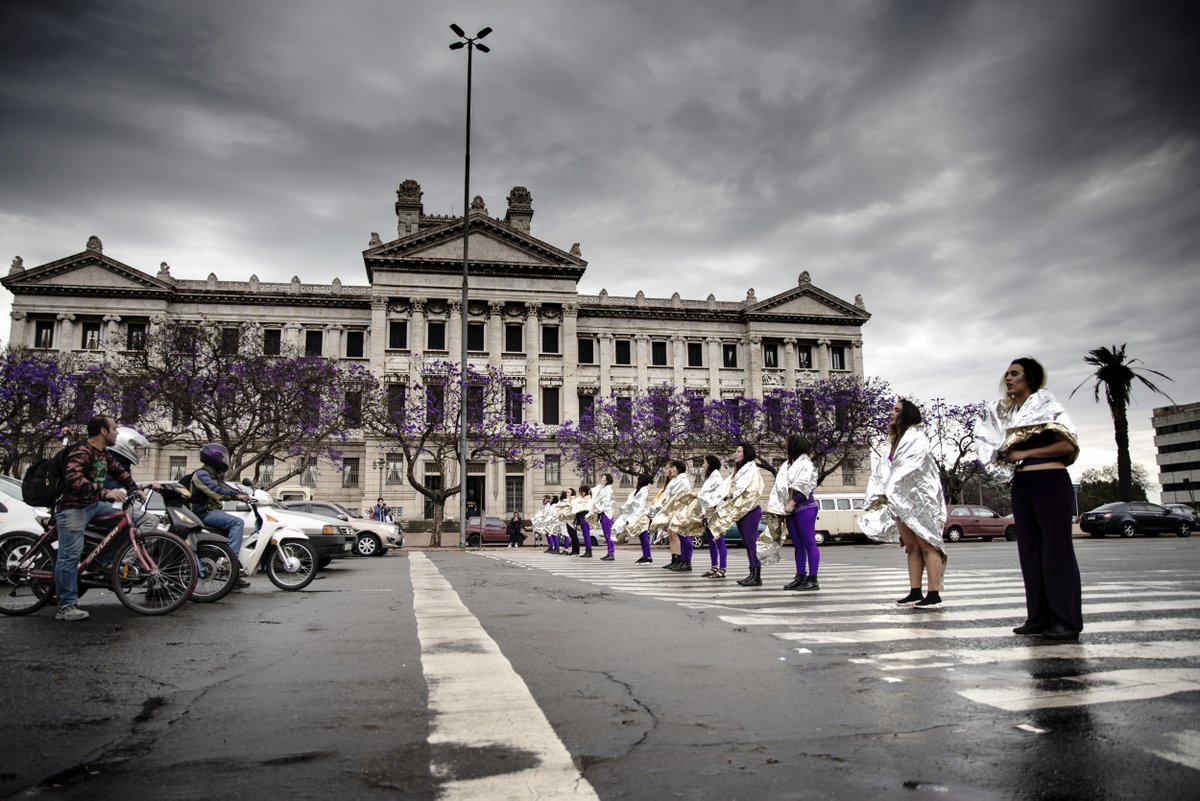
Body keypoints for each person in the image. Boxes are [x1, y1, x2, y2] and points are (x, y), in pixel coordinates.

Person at [976, 357, 1082, 640]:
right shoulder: (1008, 414)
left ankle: (1065, 621)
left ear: (1030, 379)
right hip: (1023, 484)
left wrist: (1024, 453)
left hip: (1050, 482)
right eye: (1007, 374)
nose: (1008, 379)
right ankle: (1038, 618)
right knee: (1031, 553)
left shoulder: (1047, 405)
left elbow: (1067, 444)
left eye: (1015, 374)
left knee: (1055, 551)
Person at [52, 415, 142, 621]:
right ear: (103, 431)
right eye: (114, 428)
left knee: (128, 521)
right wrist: (105, 493)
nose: (117, 432)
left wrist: (134, 489)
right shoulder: (81, 450)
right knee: (69, 556)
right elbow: (74, 479)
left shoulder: (104, 454)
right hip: (73, 508)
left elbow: (120, 473)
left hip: (93, 506)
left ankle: (102, 560)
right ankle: (66, 606)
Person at [860, 399, 948, 609]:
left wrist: (891, 490)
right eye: (892, 409)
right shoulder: (891, 442)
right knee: (911, 547)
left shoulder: (916, 438)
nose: (891, 413)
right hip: (899, 500)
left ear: (906, 415)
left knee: (928, 544)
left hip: (920, 500)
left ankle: (934, 594)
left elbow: (909, 468)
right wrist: (880, 494)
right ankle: (915, 591)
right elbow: (883, 471)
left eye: (896, 410)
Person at [190, 443, 252, 584]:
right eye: (222, 458)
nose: (225, 461)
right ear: (213, 458)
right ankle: (230, 564)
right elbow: (216, 490)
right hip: (202, 513)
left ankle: (230, 574)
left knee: (229, 534)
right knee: (237, 523)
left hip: (211, 511)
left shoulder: (213, 475)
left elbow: (226, 487)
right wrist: (236, 496)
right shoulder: (201, 475)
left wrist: (244, 494)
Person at [708, 443, 766, 586]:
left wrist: (730, 495)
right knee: (747, 543)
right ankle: (752, 573)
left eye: (739, 451)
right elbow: (728, 487)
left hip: (750, 510)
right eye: (736, 451)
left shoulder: (751, 470)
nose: (736, 453)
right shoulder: (739, 471)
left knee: (752, 544)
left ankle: (757, 576)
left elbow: (750, 491)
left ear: (746, 454)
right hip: (741, 511)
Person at [778, 434, 820, 591]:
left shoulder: (805, 463)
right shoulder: (791, 464)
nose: (785, 444)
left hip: (804, 507)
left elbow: (804, 487)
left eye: (787, 442)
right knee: (798, 545)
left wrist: (792, 503)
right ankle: (800, 576)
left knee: (809, 542)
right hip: (794, 509)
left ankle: (813, 579)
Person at [648, 460, 692, 571]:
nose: (670, 470)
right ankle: (676, 560)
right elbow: (666, 497)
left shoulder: (682, 480)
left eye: (672, 468)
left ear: (678, 468)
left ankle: (684, 561)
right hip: (671, 511)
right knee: (673, 537)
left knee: (681, 538)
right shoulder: (674, 480)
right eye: (669, 468)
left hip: (679, 512)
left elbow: (673, 498)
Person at [693, 455, 727, 578]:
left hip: (716, 514)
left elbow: (714, 497)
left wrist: (698, 496)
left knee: (719, 542)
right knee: (711, 543)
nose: (702, 465)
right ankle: (714, 567)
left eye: (704, 463)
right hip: (709, 514)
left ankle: (722, 569)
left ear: (710, 464)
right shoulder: (710, 478)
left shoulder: (716, 478)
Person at [612, 474, 654, 563]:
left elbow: (639, 504)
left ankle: (648, 556)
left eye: (638, 479)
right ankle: (646, 555)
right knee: (642, 537)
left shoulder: (644, 490)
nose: (636, 480)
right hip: (637, 515)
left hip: (640, 516)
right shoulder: (638, 490)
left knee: (644, 536)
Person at [590, 474, 616, 560]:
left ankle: (611, 553)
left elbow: (606, 502)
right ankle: (610, 552)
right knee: (606, 534)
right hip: (603, 513)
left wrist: (597, 509)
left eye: (604, 478)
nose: (601, 479)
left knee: (608, 534)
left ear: (607, 480)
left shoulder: (608, 490)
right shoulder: (603, 488)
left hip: (607, 514)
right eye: (601, 477)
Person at [573, 484, 594, 557]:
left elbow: (587, 509)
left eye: (582, 492)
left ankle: (588, 551)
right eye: (580, 492)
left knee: (586, 535)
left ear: (586, 492)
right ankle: (588, 550)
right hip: (581, 519)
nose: (581, 493)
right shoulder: (580, 499)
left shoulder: (589, 499)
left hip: (585, 519)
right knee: (585, 535)